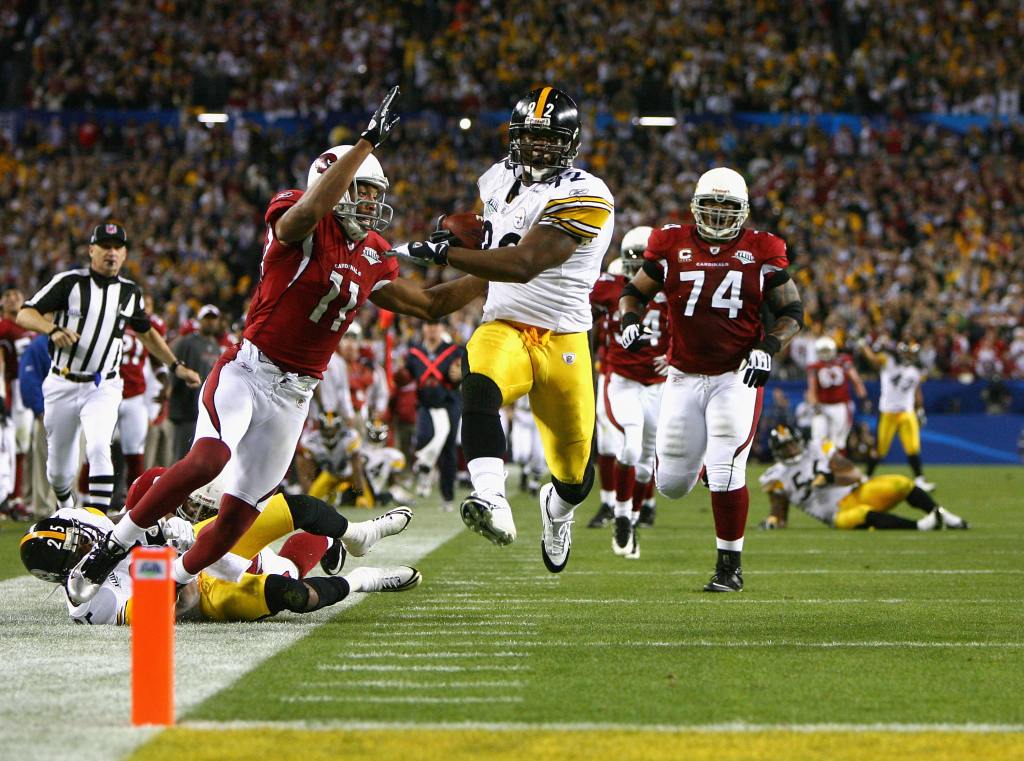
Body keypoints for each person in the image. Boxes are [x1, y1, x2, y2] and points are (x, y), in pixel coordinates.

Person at [68, 87, 487, 605]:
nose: (373, 203)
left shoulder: (375, 253)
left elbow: (429, 306)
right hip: (249, 372)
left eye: (377, 193)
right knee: (207, 461)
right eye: (363, 191)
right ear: (335, 185)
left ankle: (172, 584)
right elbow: (307, 215)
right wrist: (364, 142)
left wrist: (496, 273)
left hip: (296, 396)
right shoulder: (299, 219)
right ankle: (114, 543)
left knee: (240, 512)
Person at [392, 86, 615, 573]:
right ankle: (491, 499)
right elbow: (492, 250)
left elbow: (523, 262)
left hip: (563, 337)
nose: (537, 147)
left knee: (575, 475)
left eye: (548, 138)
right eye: (529, 136)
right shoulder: (494, 179)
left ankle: (557, 513)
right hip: (505, 324)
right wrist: (455, 266)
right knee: (478, 383)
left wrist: (444, 252)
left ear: (570, 142)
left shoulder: (588, 193)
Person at [618, 166, 804, 592]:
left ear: (743, 211)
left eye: (728, 205)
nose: (719, 213)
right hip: (682, 374)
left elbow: (793, 313)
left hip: (735, 376)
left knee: (726, 471)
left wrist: (766, 348)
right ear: (695, 207)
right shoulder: (670, 242)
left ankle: (728, 568)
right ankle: (705, 464)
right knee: (671, 485)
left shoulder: (762, 249)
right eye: (712, 204)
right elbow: (635, 290)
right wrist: (631, 316)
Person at [20, 468, 420, 625]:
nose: (87, 546)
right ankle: (363, 580)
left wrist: (167, 529)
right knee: (290, 590)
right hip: (199, 592)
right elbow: (178, 603)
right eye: (77, 553)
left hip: (197, 544)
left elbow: (134, 513)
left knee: (291, 507)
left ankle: (358, 534)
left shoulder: (88, 519)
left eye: (79, 539)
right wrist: (172, 561)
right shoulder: (93, 604)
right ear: (67, 574)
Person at [16, 223, 201, 514]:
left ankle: (98, 523)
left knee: (100, 445)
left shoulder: (130, 292)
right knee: (58, 471)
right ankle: (66, 509)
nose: (111, 252)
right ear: (92, 250)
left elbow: (147, 332)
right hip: (62, 381)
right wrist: (51, 329)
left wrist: (175, 365)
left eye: (117, 247)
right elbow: (25, 313)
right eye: (105, 246)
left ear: (125, 254)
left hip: (103, 384)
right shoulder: (69, 283)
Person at [588, 225, 667, 558]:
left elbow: (693, 325)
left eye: (643, 258)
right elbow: (578, 310)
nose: (637, 264)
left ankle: (631, 521)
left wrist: (674, 355)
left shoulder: (672, 287)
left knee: (648, 462)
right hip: (622, 379)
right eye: (633, 257)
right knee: (629, 448)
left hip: (659, 384)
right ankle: (620, 516)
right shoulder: (610, 286)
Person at [757, 425, 968, 531]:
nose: (791, 450)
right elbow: (779, 514)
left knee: (900, 482)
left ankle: (942, 515)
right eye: (785, 447)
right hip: (836, 514)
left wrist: (829, 477)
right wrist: (773, 521)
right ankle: (921, 526)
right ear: (777, 451)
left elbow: (853, 473)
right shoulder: (775, 476)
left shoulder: (818, 447)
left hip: (856, 492)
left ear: (799, 440)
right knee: (863, 514)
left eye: (791, 444)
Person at [859, 339, 935, 491]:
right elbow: (874, 360)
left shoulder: (916, 370)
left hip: (907, 412)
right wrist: (864, 346)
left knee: (913, 447)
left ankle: (920, 479)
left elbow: (917, 391)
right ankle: (865, 478)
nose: (910, 357)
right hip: (888, 413)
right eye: (907, 353)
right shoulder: (888, 361)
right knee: (880, 449)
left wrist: (920, 410)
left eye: (912, 354)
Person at [406, 319, 463, 511]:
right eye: (428, 324)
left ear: (442, 328)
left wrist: (462, 372)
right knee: (423, 438)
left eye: (436, 324)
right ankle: (425, 467)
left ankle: (447, 497)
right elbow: (404, 376)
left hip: (449, 403)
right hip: (425, 404)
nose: (432, 328)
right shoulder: (414, 353)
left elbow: (466, 369)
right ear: (423, 327)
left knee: (448, 449)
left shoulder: (454, 351)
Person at [168, 304, 225, 459]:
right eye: (207, 319)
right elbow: (173, 369)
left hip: (204, 412)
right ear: (200, 320)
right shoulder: (187, 342)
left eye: (214, 319)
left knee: (198, 459)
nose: (211, 323)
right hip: (186, 410)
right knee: (181, 457)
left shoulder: (216, 346)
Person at [0, 289, 32, 514]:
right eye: (9, 296)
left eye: (17, 296)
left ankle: (15, 496)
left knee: (21, 446)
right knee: (8, 444)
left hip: (26, 388)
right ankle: (7, 495)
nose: (14, 299)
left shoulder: (29, 326)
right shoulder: (3, 327)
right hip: (10, 387)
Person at [806, 335, 868, 452]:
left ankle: (835, 468)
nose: (825, 354)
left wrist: (863, 396)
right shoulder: (816, 366)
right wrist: (814, 404)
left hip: (840, 405)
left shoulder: (842, 361)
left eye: (826, 351)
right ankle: (820, 467)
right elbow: (812, 388)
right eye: (822, 351)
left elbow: (856, 380)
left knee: (838, 441)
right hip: (823, 405)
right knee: (818, 439)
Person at [17, 333, 55, 516]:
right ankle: (42, 509)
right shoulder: (40, 344)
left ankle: (65, 509)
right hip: (47, 413)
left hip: (75, 413)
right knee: (44, 462)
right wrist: (40, 409)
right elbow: (29, 379)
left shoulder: (77, 340)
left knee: (72, 464)